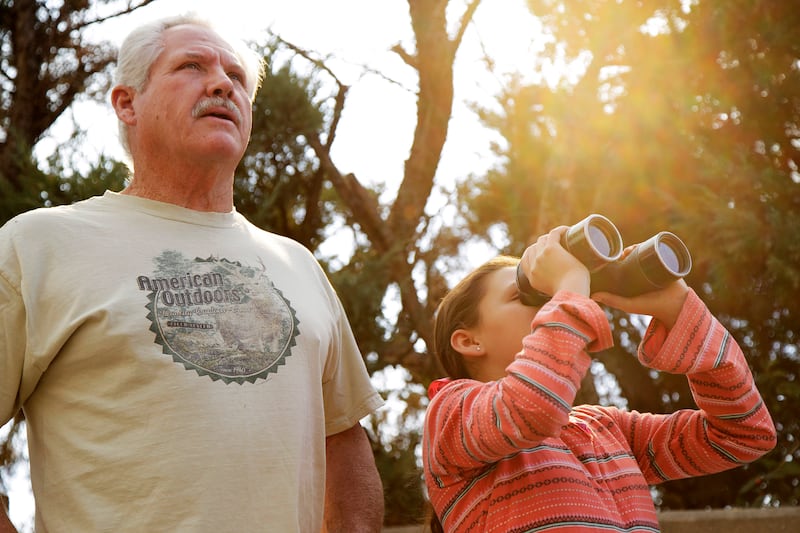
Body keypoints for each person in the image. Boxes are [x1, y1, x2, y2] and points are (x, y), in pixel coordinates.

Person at [0, 13, 384, 533]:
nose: (223, 84)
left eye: (238, 79)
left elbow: (342, 438)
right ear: (127, 103)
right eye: (191, 65)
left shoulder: (299, 265)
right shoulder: (37, 244)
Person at [422, 226, 777, 532]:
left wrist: (678, 309)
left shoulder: (606, 429)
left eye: (549, 293)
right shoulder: (450, 416)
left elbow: (744, 435)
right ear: (469, 341)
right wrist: (570, 285)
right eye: (524, 293)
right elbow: (529, 408)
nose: (552, 301)